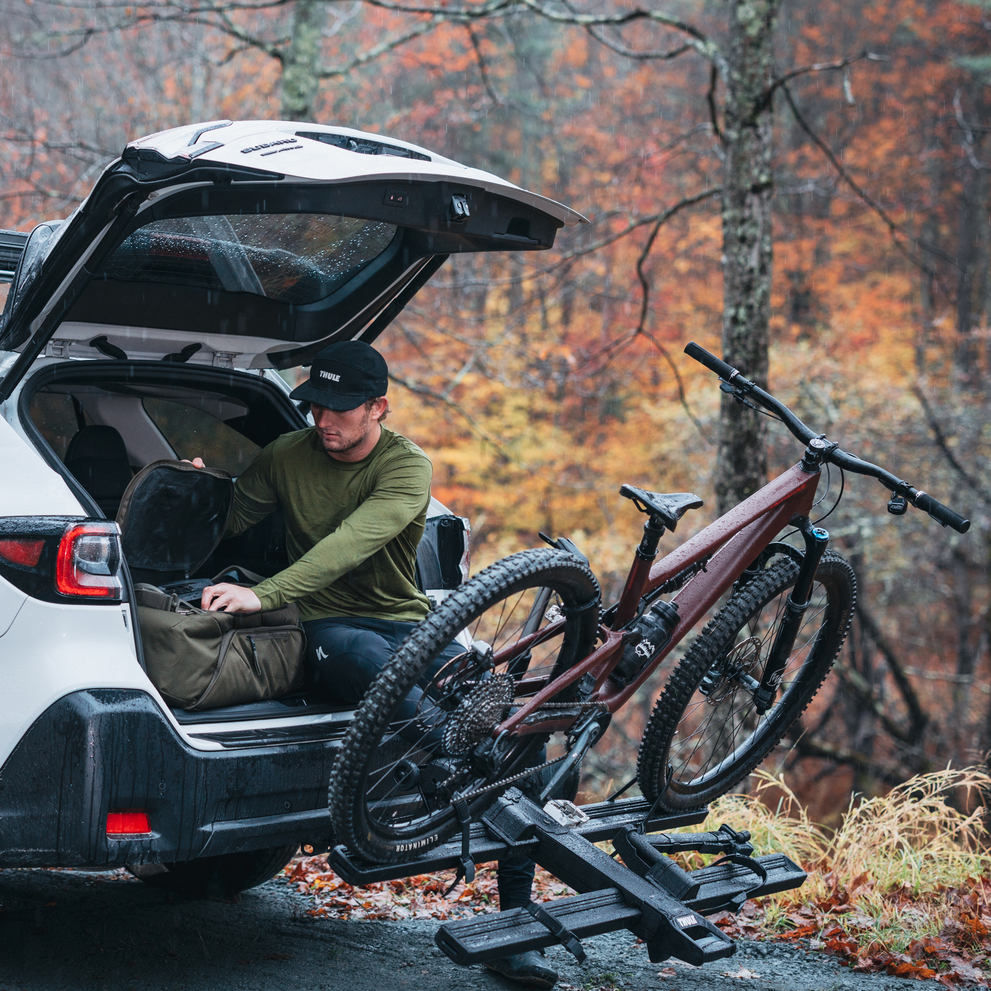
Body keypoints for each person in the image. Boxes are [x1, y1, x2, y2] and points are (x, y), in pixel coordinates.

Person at [198, 340, 558, 990]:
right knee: (368, 663)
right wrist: (190, 487)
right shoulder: (286, 456)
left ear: (378, 407)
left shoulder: (406, 465)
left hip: (404, 617)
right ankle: (447, 762)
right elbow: (227, 520)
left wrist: (266, 590)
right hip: (324, 626)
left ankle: (518, 927)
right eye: (315, 405)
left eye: (338, 408)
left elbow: (349, 543)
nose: (323, 420)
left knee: (509, 731)